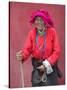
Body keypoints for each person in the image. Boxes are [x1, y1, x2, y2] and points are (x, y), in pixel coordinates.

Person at [16, 9, 61, 87]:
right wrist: (22, 56)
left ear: (45, 21)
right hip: (37, 67)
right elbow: (27, 49)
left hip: (50, 67)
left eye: (41, 19)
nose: (38, 22)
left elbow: (57, 51)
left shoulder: (52, 32)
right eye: (36, 20)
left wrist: (46, 64)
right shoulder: (32, 33)